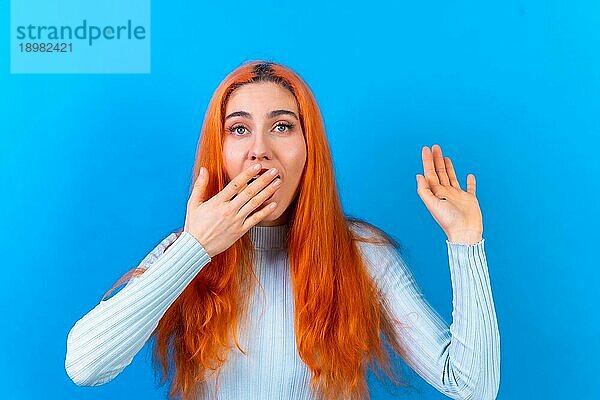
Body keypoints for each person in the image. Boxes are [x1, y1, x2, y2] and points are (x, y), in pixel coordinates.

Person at [65, 60, 500, 400]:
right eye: (239, 129)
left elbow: (470, 386)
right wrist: (194, 247)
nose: (260, 150)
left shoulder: (363, 255)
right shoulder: (183, 254)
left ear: (310, 151)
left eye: (282, 126)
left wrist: (466, 243)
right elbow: (85, 366)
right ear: (220, 152)